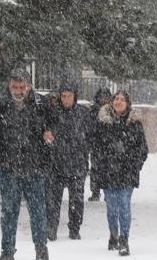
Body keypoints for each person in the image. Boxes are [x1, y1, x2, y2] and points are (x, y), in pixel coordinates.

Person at [0, 68, 54, 260]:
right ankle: (7, 252)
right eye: (14, 86)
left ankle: (41, 250)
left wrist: (48, 136)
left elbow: (52, 127)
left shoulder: (41, 104)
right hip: (8, 168)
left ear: (28, 85)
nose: (18, 90)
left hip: (34, 167)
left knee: (38, 212)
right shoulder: (1, 104)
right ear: (10, 86)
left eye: (22, 86)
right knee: (9, 212)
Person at [92, 90, 148, 256]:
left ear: (128, 103)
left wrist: (134, 165)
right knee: (111, 208)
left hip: (127, 172)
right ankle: (113, 234)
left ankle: (124, 239)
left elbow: (142, 149)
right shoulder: (103, 122)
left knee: (124, 205)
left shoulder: (134, 123)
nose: (119, 102)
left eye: (122, 99)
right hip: (108, 171)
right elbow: (95, 146)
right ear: (111, 102)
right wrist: (101, 162)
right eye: (116, 99)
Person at [45, 81, 91, 241]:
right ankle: (51, 228)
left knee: (76, 200)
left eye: (69, 96)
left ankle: (75, 228)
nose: (66, 99)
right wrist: (47, 135)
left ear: (74, 96)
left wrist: (84, 151)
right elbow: (44, 131)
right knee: (52, 201)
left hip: (77, 164)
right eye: (63, 96)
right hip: (56, 164)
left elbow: (91, 137)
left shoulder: (83, 113)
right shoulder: (52, 113)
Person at [88, 88, 112, 202]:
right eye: (101, 96)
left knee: (108, 170)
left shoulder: (111, 110)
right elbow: (90, 125)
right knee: (95, 169)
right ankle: (95, 192)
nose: (104, 99)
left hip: (109, 145)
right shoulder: (93, 110)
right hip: (96, 144)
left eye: (106, 96)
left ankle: (108, 192)